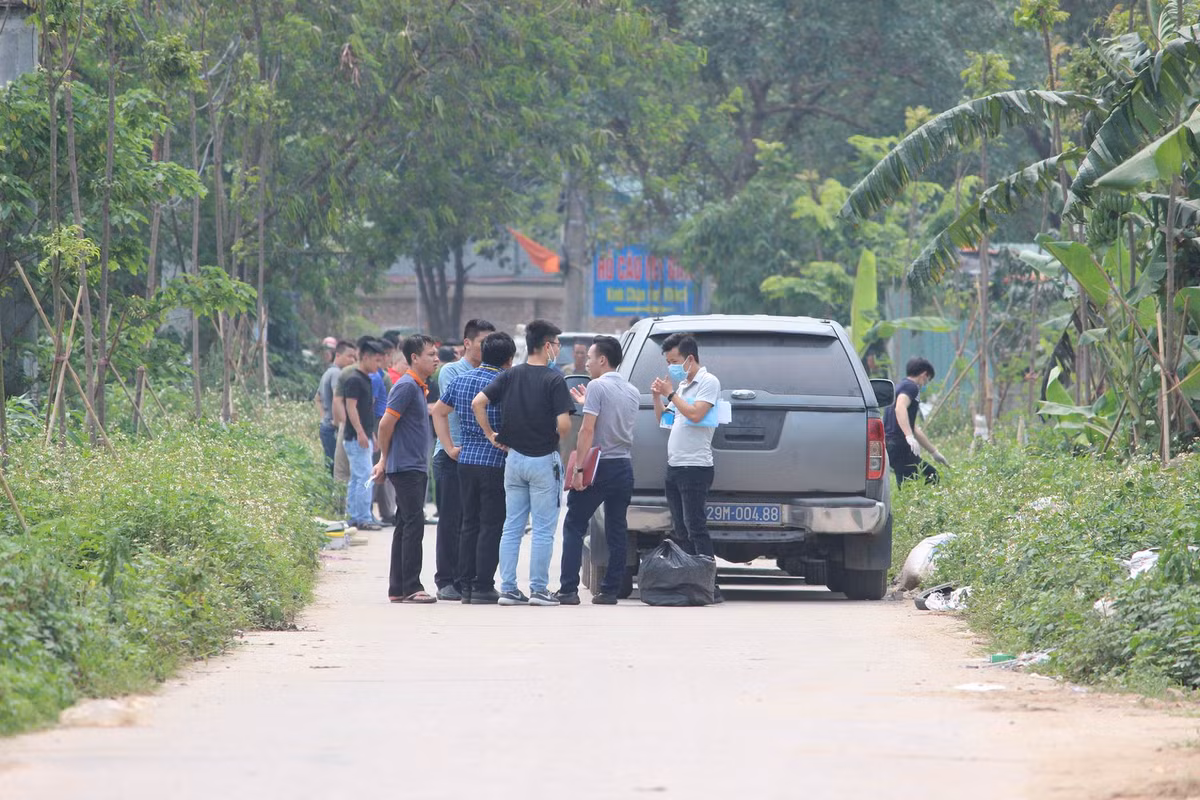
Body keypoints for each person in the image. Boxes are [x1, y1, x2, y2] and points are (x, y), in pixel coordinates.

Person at [472, 319, 572, 606]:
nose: (558, 349)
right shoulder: (554, 380)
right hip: (543, 461)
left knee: (512, 527)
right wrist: (550, 434)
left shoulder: (510, 375)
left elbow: (478, 403)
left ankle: (509, 588)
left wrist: (491, 434)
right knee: (542, 529)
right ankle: (539, 589)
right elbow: (564, 425)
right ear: (546, 346)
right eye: (557, 344)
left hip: (513, 460)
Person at [432, 331, 515, 604]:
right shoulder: (506, 382)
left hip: (465, 461)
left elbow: (438, 412)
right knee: (491, 525)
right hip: (495, 461)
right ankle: (482, 585)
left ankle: (464, 584)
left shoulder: (462, 379)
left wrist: (448, 447)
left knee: (468, 522)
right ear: (509, 360)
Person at [556, 336, 640, 605]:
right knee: (617, 529)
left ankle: (568, 589)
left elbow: (588, 430)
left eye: (591, 358)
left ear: (602, 360)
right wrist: (587, 402)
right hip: (623, 466)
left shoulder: (596, 387)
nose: (588, 362)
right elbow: (612, 418)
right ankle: (610, 590)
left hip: (598, 466)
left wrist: (579, 468)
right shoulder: (632, 390)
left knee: (574, 524)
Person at [651, 332, 723, 603]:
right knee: (680, 529)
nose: (671, 367)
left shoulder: (708, 382)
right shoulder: (681, 388)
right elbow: (664, 420)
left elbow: (696, 414)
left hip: (696, 466)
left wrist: (670, 392)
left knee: (696, 527)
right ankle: (689, 583)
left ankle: (710, 585)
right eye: (668, 362)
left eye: (674, 361)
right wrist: (659, 397)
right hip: (675, 466)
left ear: (690, 359)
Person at [373, 334, 440, 603]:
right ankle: (412, 585)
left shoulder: (418, 387)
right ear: (414, 358)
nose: (436, 359)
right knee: (414, 523)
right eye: (430, 355)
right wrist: (383, 460)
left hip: (412, 465)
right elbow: (385, 424)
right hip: (406, 466)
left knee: (405, 523)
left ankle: (398, 587)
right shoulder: (406, 386)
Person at [340, 337, 387, 530]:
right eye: (376, 360)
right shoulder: (354, 380)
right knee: (365, 476)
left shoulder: (366, 379)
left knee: (357, 478)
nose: (379, 365)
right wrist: (360, 432)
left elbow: (366, 411)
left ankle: (353, 515)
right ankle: (363, 517)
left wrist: (371, 434)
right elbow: (351, 408)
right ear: (366, 358)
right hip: (355, 437)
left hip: (364, 435)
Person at [884, 357, 948, 485]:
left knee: (926, 476)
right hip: (899, 444)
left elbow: (914, 429)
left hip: (894, 445)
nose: (925, 384)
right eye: (927, 381)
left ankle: (918, 504)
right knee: (914, 485)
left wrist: (934, 452)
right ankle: (917, 505)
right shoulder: (912, 387)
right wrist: (908, 436)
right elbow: (900, 407)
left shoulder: (901, 386)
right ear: (924, 375)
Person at [315, 340, 356, 475]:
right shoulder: (337, 374)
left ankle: (329, 494)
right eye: (349, 356)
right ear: (338, 355)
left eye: (354, 357)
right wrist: (337, 423)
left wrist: (324, 418)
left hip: (326, 425)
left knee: (330, 465)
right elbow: (336, 399)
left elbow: (318, 399)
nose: (352, 360)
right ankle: (333, 495)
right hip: (332, 427)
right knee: (336, 468)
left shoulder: (328, 372)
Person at [372, 338, 398, 525]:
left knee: (379, 469)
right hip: (377, 424)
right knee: (378, 469)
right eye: (387, 355)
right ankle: (381, 512)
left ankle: (386, 511)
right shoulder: (380, 377)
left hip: (378, 424)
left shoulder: (381, 375)